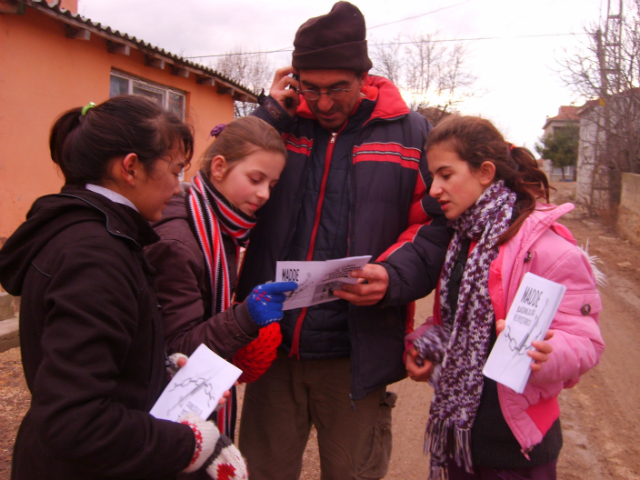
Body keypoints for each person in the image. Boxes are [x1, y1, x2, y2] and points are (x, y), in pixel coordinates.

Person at [234, 2, 451, 479]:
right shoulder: (283, 123)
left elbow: (436, 224)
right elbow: (222, 186)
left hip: (356, 352)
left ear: (364, 76)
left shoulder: (411, 133)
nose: (324, 103)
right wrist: (269, 114)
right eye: (310, 88)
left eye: (338, 89)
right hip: (271, 343)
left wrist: (393, 278)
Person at [0, 96, 251, 480]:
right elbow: (76, 421)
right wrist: (191, 444)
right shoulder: (95, 256)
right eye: (174, 170)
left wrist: (157, 370)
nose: (178, 187)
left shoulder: (92, 233)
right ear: (130, 168)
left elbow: (92, 359)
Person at [405, 115, 605, 480]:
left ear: (484, 172)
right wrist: (427, 344)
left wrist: (551, 351)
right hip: (462, 441)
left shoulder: (545, 247)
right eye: (432, 176)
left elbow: (586, 341)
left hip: (517, 448)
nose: (434, 189)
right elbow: (450, 322)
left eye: (446, 175)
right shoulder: (462, 239)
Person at [145, 116, 297, 441]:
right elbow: (175, 354)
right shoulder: (181, 242)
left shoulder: (219, 225)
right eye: (255, 179)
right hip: (168, 418)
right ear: (218, 167)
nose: (264, 194)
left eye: (271, 184)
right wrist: (244, 319)